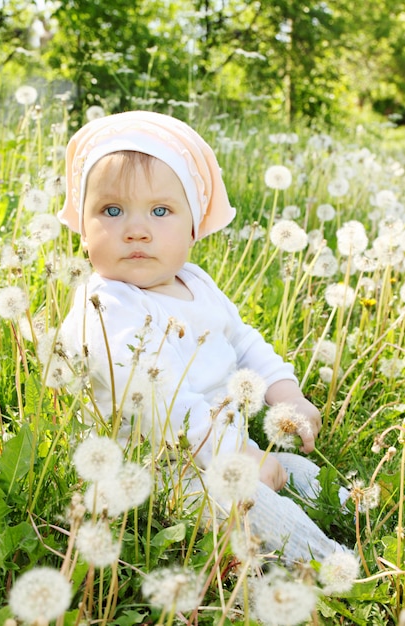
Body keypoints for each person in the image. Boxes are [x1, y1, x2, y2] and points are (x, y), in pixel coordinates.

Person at [58, 111, 351, 563]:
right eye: (111, 210)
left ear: (194, 227)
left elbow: (243, 340)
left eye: (160, 211)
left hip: (222, 444)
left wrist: (284, 392)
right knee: (255, 508)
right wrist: (236, 457)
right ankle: (329, 565)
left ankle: (358, 513)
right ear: (82, 227)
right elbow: (161, 401)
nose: (136, 229)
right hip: (161, 470)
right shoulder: (108, 307)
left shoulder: (196, 282)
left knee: (301, 473)